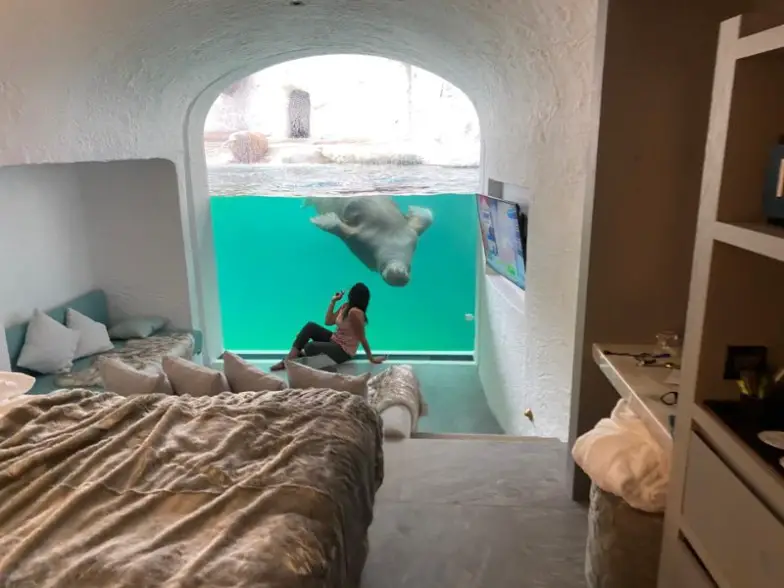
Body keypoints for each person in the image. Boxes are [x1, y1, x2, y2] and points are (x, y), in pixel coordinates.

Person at [270, 282, 387, 371]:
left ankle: (293, 361)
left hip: (343, 351)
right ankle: (290, 360)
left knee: (310, 346)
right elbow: (328, 321)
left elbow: (362, 338)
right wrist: (333, 301)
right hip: (334, 340)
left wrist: (371, 358)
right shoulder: (346, 306)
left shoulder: (355, 312)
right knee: (310, 326)